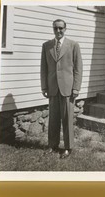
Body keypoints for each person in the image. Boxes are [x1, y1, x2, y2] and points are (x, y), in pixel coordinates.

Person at [40, 19, 83, 159]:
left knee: (67, 118)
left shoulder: (73, 45)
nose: (58, 31)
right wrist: (44, 86)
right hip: (52, 88)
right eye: (55, 28)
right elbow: (44, 69)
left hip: (68, 89)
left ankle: (68, 147)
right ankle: (52, 145)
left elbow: (78, 68)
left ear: (65, 29)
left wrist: (76, 88)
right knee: (53, 119)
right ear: (53, 29)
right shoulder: (46, 46)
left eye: (60, 28)